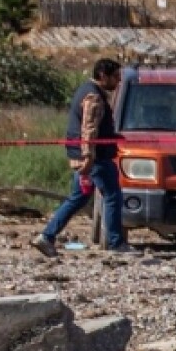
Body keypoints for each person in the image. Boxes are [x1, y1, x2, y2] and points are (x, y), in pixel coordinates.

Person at [35, 58, 127, 256]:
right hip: (95, 158)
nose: (118, 82)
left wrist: (112, 137)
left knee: (77, 198)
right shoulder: (94, 97)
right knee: (113, 196)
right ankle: (116, 243)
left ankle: (47, 236)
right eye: (115, 77)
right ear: (103, 75)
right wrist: (88, 156)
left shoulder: (85, 90)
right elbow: (89, 129)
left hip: (87, 156)